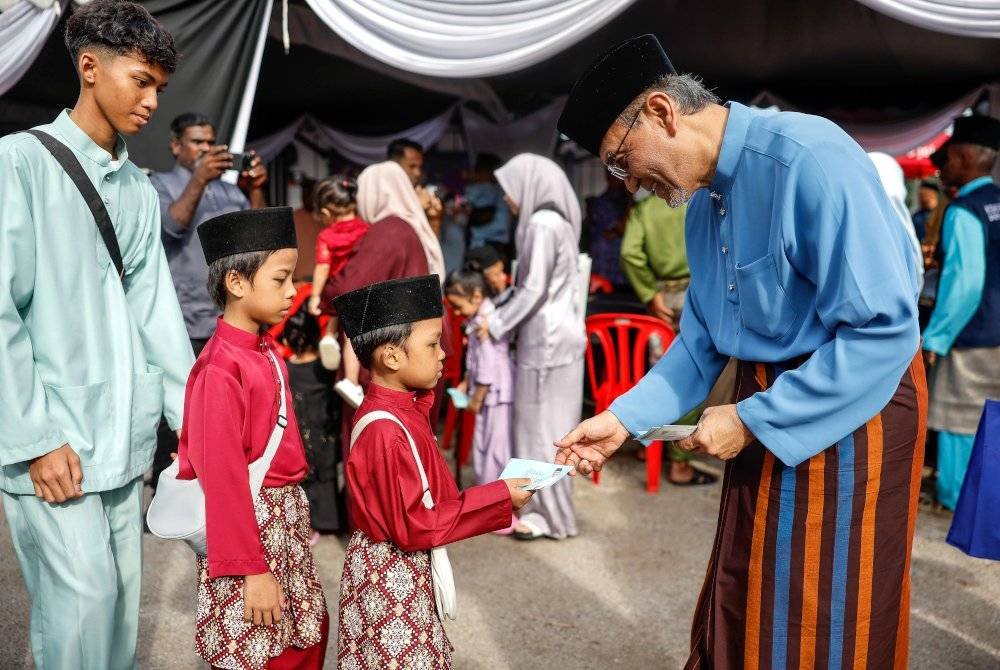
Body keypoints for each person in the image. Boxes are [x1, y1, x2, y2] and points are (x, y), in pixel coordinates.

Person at [554, 35, 923, 668]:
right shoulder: (702, 209)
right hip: (763, 414)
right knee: (750, 586)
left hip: (854, 411)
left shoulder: (811, 157)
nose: (631, 185)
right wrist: (621, 420)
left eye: (622, 159)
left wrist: (753, 417)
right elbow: (700, 344)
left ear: (664, 113)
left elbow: (883, 331)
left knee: (825, 609)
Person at [0, 3, 193, 667]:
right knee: (77, 612)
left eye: (158, 88)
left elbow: (157, 316)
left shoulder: (139, 189)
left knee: (115, 614)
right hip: (52, 442)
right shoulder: (17, 164)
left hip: (123, 435)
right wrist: (34, 439)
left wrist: (197, 425)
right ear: (89, 66)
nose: (151, 100)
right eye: (141, 80)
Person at [333, 275, 533, 668]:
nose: (444, 354)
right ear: (391, 357)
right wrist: (498, 496)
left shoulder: (405, 409)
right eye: (432, 344)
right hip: (391, 577)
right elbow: (414, 525)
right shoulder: (385, 430)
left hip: (400, 568)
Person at [177, 207, 328, 669]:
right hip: (251, 530)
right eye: (281, 280)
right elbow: (223, 480)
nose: (291, 292)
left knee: (302, 638)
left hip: (282, 521)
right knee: (261, 647)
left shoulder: (265, 350)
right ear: (237, 284)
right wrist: (252, 569)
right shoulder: (221, 368)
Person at [148, 111, 270, 492]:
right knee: (181, 409)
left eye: (210, 141)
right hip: (182, 318)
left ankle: (219, 485)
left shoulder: (230, 191)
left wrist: (254, 189)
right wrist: (199, 179)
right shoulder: (160, 183)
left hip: (230, 317)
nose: (206, 148)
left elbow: (261, 238)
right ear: (176, 146)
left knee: (227, 408)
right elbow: (170, 226)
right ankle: (169, 492)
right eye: (197, 141)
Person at [478, 154, 587, 541]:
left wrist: (497, 326)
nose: (507, 200)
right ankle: (551, 513)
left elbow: (534, 289)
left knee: (540, 432)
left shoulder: (541, 224)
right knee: (554, 429)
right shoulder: (557, 222)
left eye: (509, 190)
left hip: (546, 344)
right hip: (559, 340)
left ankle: (548, 516)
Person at [922, 114, 1000, 511]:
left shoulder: (965, 209)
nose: (943, 166)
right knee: (993, 421)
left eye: (948, 158)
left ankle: (958, 503)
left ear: (967, 156)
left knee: (957, 422)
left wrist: (935, 336)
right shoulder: (997, 204)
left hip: (973, 338)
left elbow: (965, 282)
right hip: (996, 333)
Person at [619, 192, 719, 486]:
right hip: (696, 292)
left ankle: (646, 446)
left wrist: (650, 293)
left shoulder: (644, 209)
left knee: (661, 373)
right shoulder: (698, 201)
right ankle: (680, 462)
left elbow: (629, 252)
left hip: (661, 297)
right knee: (692, 375)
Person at [445, 269, 517, 534]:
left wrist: (475, 397)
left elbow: (486, 366)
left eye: (457, 305)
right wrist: (466, 381)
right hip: (491, 393)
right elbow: (476, 361)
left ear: (476, 296)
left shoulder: (485, 321)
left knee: (495, 452)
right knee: (485, 448)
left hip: (495, 395)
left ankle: (502, 512)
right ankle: (489, 507)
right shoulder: (479, 317)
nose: (455, 311)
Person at [280, 308, 344, 540]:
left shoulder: (285, 368)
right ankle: (331, 519)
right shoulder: (326, 368)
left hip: (299, 431)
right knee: (326, 475)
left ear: (288, 338)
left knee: (305, 478)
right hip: (325, 429)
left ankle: (309, 524)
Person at [305, 175, 368, 403]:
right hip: (359, 287)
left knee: (335, 312)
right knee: (352, 335)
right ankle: (351, 380)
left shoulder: (327, 236)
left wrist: (315, 296)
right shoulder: (366, 229)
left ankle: (329, 336)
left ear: (325, 213)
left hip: (335, 290)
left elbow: (323, 267)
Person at [388, 137, 443, 234]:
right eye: (411, 166)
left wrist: (434, 219)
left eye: (419, 167)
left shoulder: (418, 195)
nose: (418, 173)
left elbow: (429, 246)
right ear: (393, 166)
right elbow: (390, 239)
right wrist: (416, 206)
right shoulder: (382, 197)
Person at [464, 152, 513, 256]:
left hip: (483, 242)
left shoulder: (484, 188)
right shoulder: (503, 191)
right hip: (500, 243)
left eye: (477, 171)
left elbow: (469, 206)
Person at [587, 172, 631, 286]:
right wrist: (631, 199)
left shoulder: (623, 201)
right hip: (605, 273)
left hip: (623, 273)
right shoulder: (603, 203)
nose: (623, 180)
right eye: (619, 176)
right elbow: (623, 228)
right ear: (609, 177)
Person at [292, 176, 320, 283]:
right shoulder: (293, 217)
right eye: (305, 191)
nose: (308, 195)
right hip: (298, 283)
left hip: (322, 282)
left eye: (311, 192)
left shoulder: (326, 219)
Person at [912, 178, 940, 243]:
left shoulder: (941, 215)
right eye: (919, 195)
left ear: (932, 194)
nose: (919, 197)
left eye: (922, 195)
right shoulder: (916, 215)